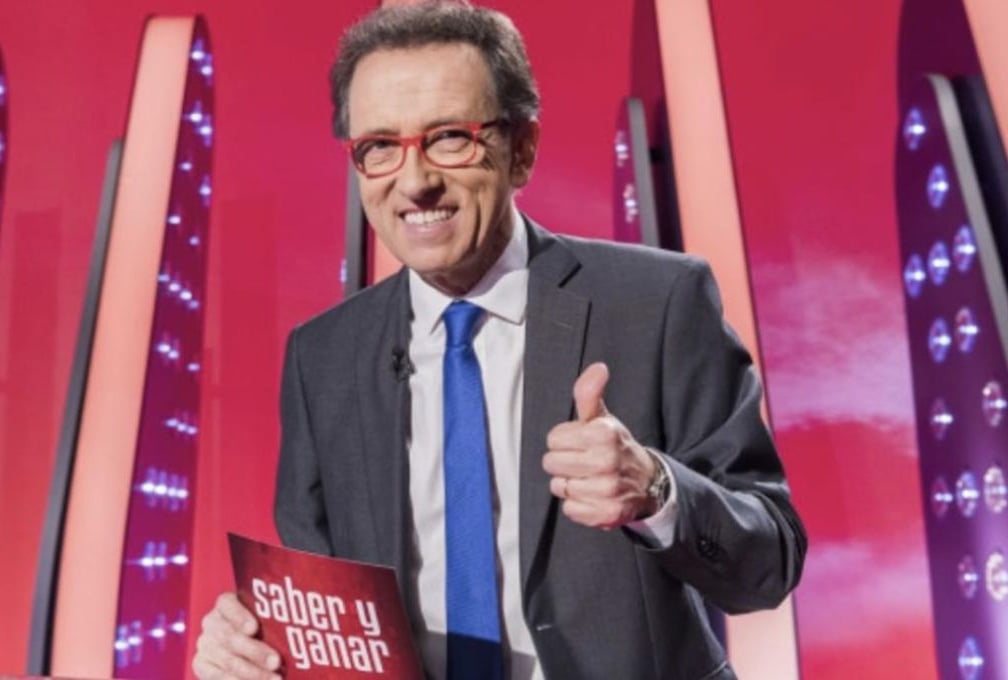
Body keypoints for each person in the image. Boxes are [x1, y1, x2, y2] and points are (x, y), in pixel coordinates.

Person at [193, 2, 806, 678]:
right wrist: (253, 643)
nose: (416, 182)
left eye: (449, 138)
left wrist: (658, 491)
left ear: (522, 150)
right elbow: (327, 615)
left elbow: (769, 564)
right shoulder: (323, 357)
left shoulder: (659, 303)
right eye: (380, 147)